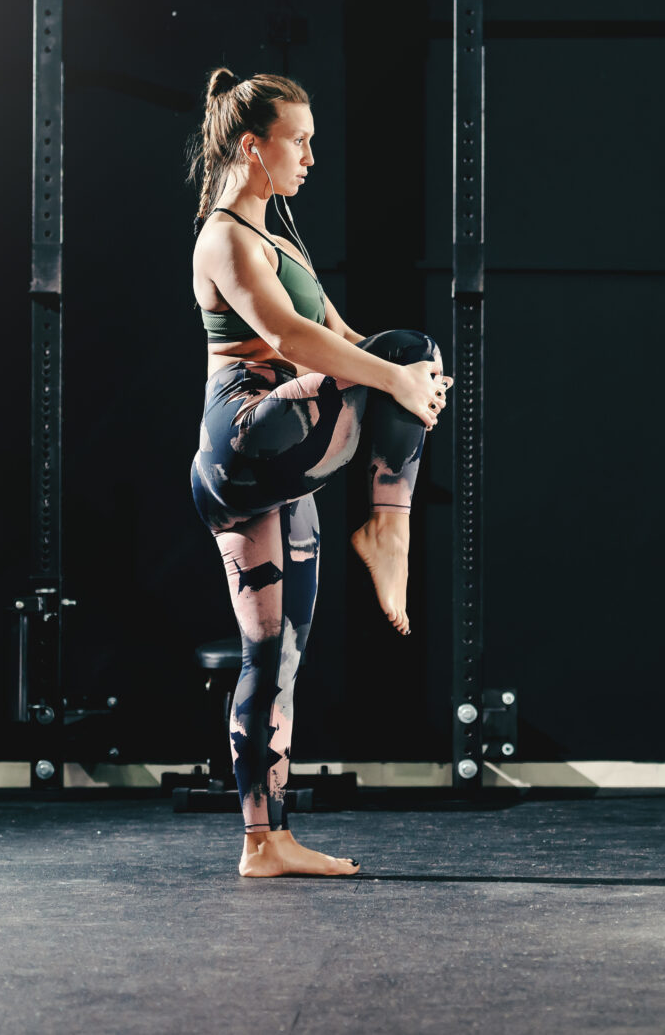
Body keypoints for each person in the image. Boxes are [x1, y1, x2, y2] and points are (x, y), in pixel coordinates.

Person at [187, 68, 451, 877]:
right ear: (251, 146)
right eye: (296, 142)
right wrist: (396, 376)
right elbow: (291, 336)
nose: (308, 157)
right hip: (246, 440)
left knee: (274, 652)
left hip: (288, 460)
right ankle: (387, 525)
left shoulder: (283, 239)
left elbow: (345, 336)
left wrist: (411, 391)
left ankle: (265, 841)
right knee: (404, 357)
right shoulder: (225, 237)